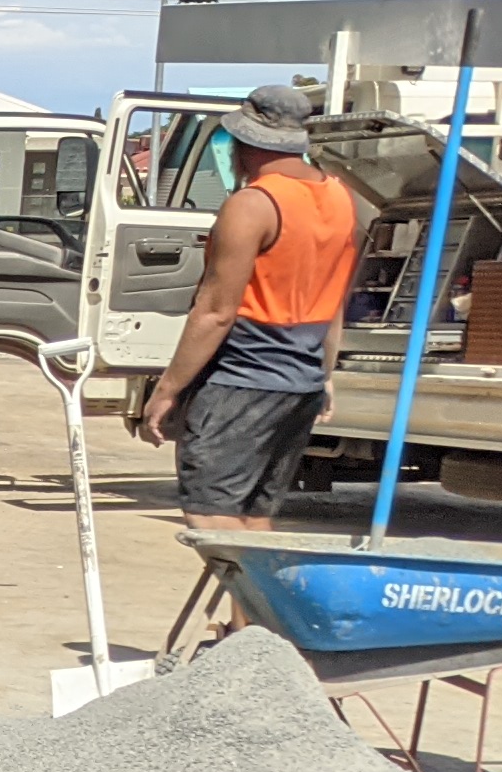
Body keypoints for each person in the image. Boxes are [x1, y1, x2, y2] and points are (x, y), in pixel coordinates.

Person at [130, 82, 360, 530]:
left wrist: (167, 390)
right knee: (254, 518)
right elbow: (334, 306)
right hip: (299, 385)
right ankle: (256, 603)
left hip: (243, 382)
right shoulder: (340, 198)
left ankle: (262, 601)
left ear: (243, 142)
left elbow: (215, 311)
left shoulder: (252, 205)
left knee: (211, 515)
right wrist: (324, 374)